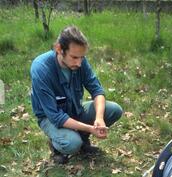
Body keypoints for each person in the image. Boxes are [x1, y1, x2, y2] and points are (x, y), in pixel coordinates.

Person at [30, 25, 122, 164]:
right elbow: (55, 116)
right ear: (59, 49)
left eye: (82, 57)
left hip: (74, 108)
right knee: (72, 143)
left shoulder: (79, 61)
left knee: (114, 110)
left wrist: (99, 119)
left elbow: (97, 90)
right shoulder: (41, 68)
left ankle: (83, 141)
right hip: (49, 117)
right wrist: (91, 128)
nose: (79, 63)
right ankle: (57, 146)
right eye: (74, 57)